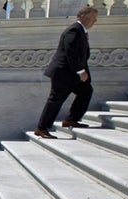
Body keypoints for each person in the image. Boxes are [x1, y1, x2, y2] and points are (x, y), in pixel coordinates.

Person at [34, 6, 98, 139]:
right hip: (63, 73)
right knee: (55, 100)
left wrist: (84, 72)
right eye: (92, 18)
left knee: (86, 91)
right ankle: (41, 128)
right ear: (82, 16)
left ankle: (71, 119)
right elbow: (70, 52)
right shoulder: (74, 30)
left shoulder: (81, 31)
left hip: (71, 74)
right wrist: (80, 71)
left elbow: (81, 55)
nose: (95, 21)